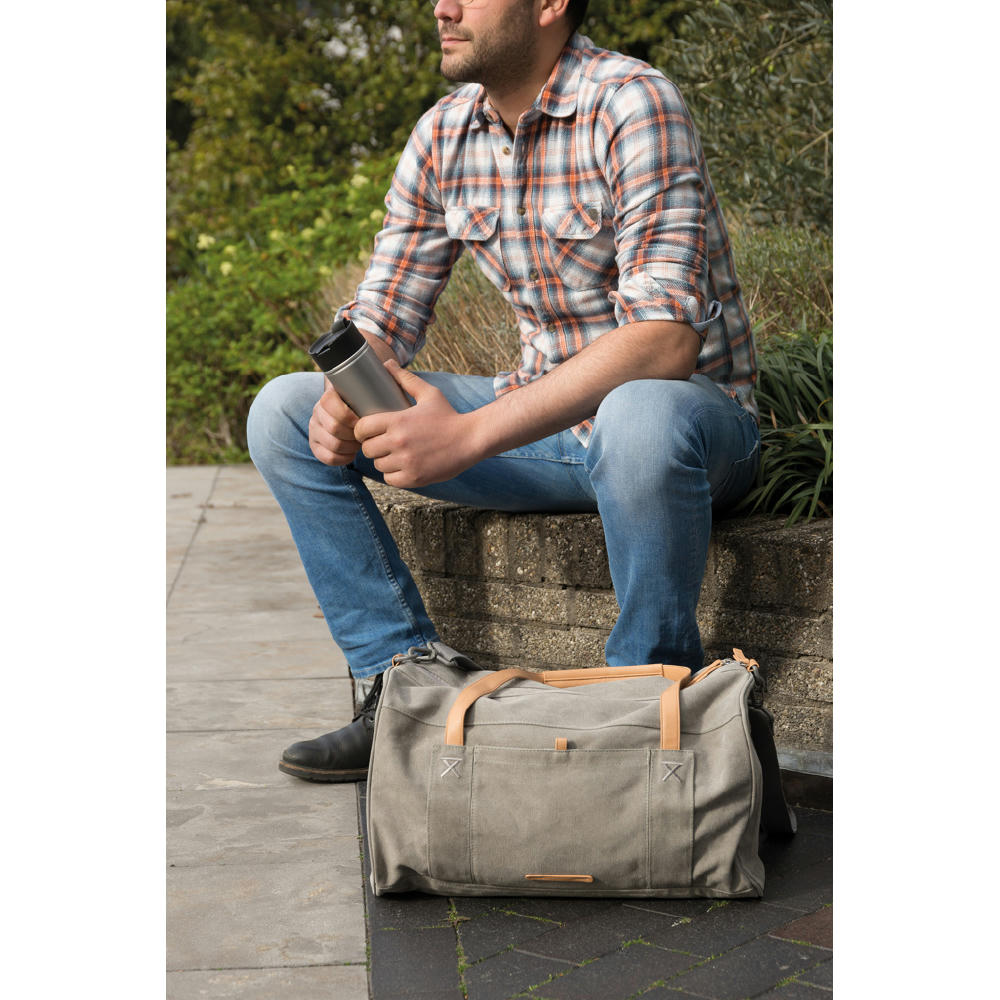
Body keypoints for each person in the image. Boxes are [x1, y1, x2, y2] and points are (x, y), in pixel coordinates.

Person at [247, 0, 759, 783]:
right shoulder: (444, 133)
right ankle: (404, 691)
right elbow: (385, 311)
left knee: (638, 414)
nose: (442, 7)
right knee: (283, 412)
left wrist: (467, 435)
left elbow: (665, 340)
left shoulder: (631, 101)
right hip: (550, 436)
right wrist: (343, 393)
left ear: (549, 5)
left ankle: (645, 704)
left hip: (685, 435)